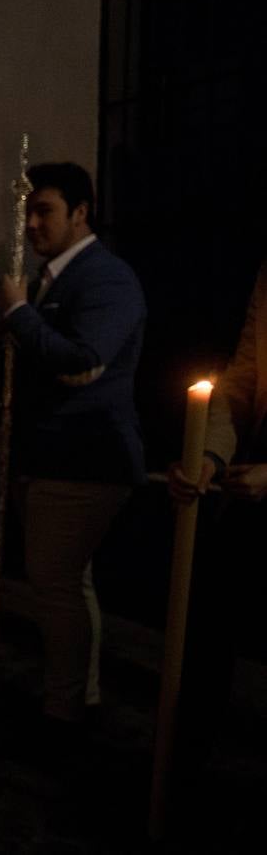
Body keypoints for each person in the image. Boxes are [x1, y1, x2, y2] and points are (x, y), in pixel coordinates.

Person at [0, 162, 146, 737]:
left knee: (54, 581)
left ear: (80, 212)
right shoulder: (51, 279)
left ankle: (63, 713)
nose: (32, 223)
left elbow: (81, 360)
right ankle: (77, 693)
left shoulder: (105, 279)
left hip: (85, 457)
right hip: (51, 456)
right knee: (67, 583)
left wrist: (16, 314)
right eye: (29, 212)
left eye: (45, 211)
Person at [167, 257, 267, 770]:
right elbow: (245, 376)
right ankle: (185, 784)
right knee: (207, 644)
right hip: (246, 495)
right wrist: (209, 456)